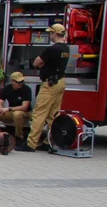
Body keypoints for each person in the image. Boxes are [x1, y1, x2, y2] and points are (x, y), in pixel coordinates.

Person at [17, 24, 70, 152]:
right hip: (60, 82)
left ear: (55, 34)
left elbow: (36, 62)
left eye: (50, 33)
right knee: (53, 115)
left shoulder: (52, 49)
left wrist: (42, 64)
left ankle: (31, 144)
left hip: (50, 84)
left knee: (39, 114)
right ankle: (49, 142)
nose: (49, 35)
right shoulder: (66, 49)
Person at [0, 71, 31, 141]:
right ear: (12, 81)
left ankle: (19, 137)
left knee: (17, 114)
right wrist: (0, 109)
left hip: (24, 114)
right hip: (11, 113)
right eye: (18, 82)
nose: (21, 83)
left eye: (22, 81)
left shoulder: (26, 89)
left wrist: (8, 108)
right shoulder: (7, 88)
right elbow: (0, 102)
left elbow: (24, 107)